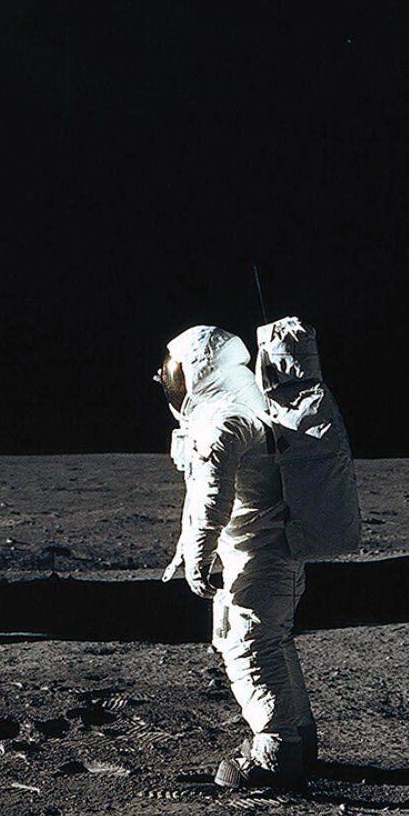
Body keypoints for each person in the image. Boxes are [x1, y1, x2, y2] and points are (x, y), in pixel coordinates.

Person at [158, 325, 316, 787]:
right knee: (272, 642)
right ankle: (299, 739)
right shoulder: (246, 404)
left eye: (177, 375)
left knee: (249, 647)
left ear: (199, 372)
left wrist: (197, 556)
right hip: (272, 552)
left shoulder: (225, 418)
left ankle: (275, 752)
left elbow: (212, 496)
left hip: (259, 556)